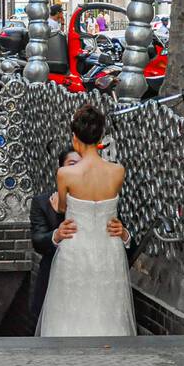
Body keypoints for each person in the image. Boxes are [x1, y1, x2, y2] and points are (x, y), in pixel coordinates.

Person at [38, 103, 137, 337]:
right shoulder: (117, 171)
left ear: (75, 137)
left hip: (76, 245)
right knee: (107, 307)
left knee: (71, 308)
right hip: (108, 246)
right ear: (100, 136)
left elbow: (62, 208)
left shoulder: (66, 174)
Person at [30, 148, 132, 325]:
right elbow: (38, 242)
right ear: (61, 171)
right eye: (73, 164)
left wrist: (124, 234)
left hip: (98, 283)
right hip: (59, 284)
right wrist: (57, 230)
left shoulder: (103, 199)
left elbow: (121, 240)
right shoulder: (42, 202)